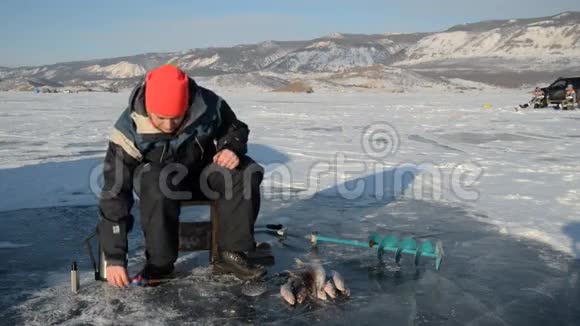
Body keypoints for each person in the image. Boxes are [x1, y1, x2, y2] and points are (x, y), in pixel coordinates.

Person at [97, 65, 266, 288]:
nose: (168, 126)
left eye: (176, 118)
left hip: (201, 173)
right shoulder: (128, 129)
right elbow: (115, 194)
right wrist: (115, 257)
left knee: (244, 171)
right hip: (158, 183)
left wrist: (230, 147)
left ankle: (231, 254)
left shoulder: (208, 104)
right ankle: (160, 264)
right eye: (161, 118)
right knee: (155, 180)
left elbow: (234, 127)